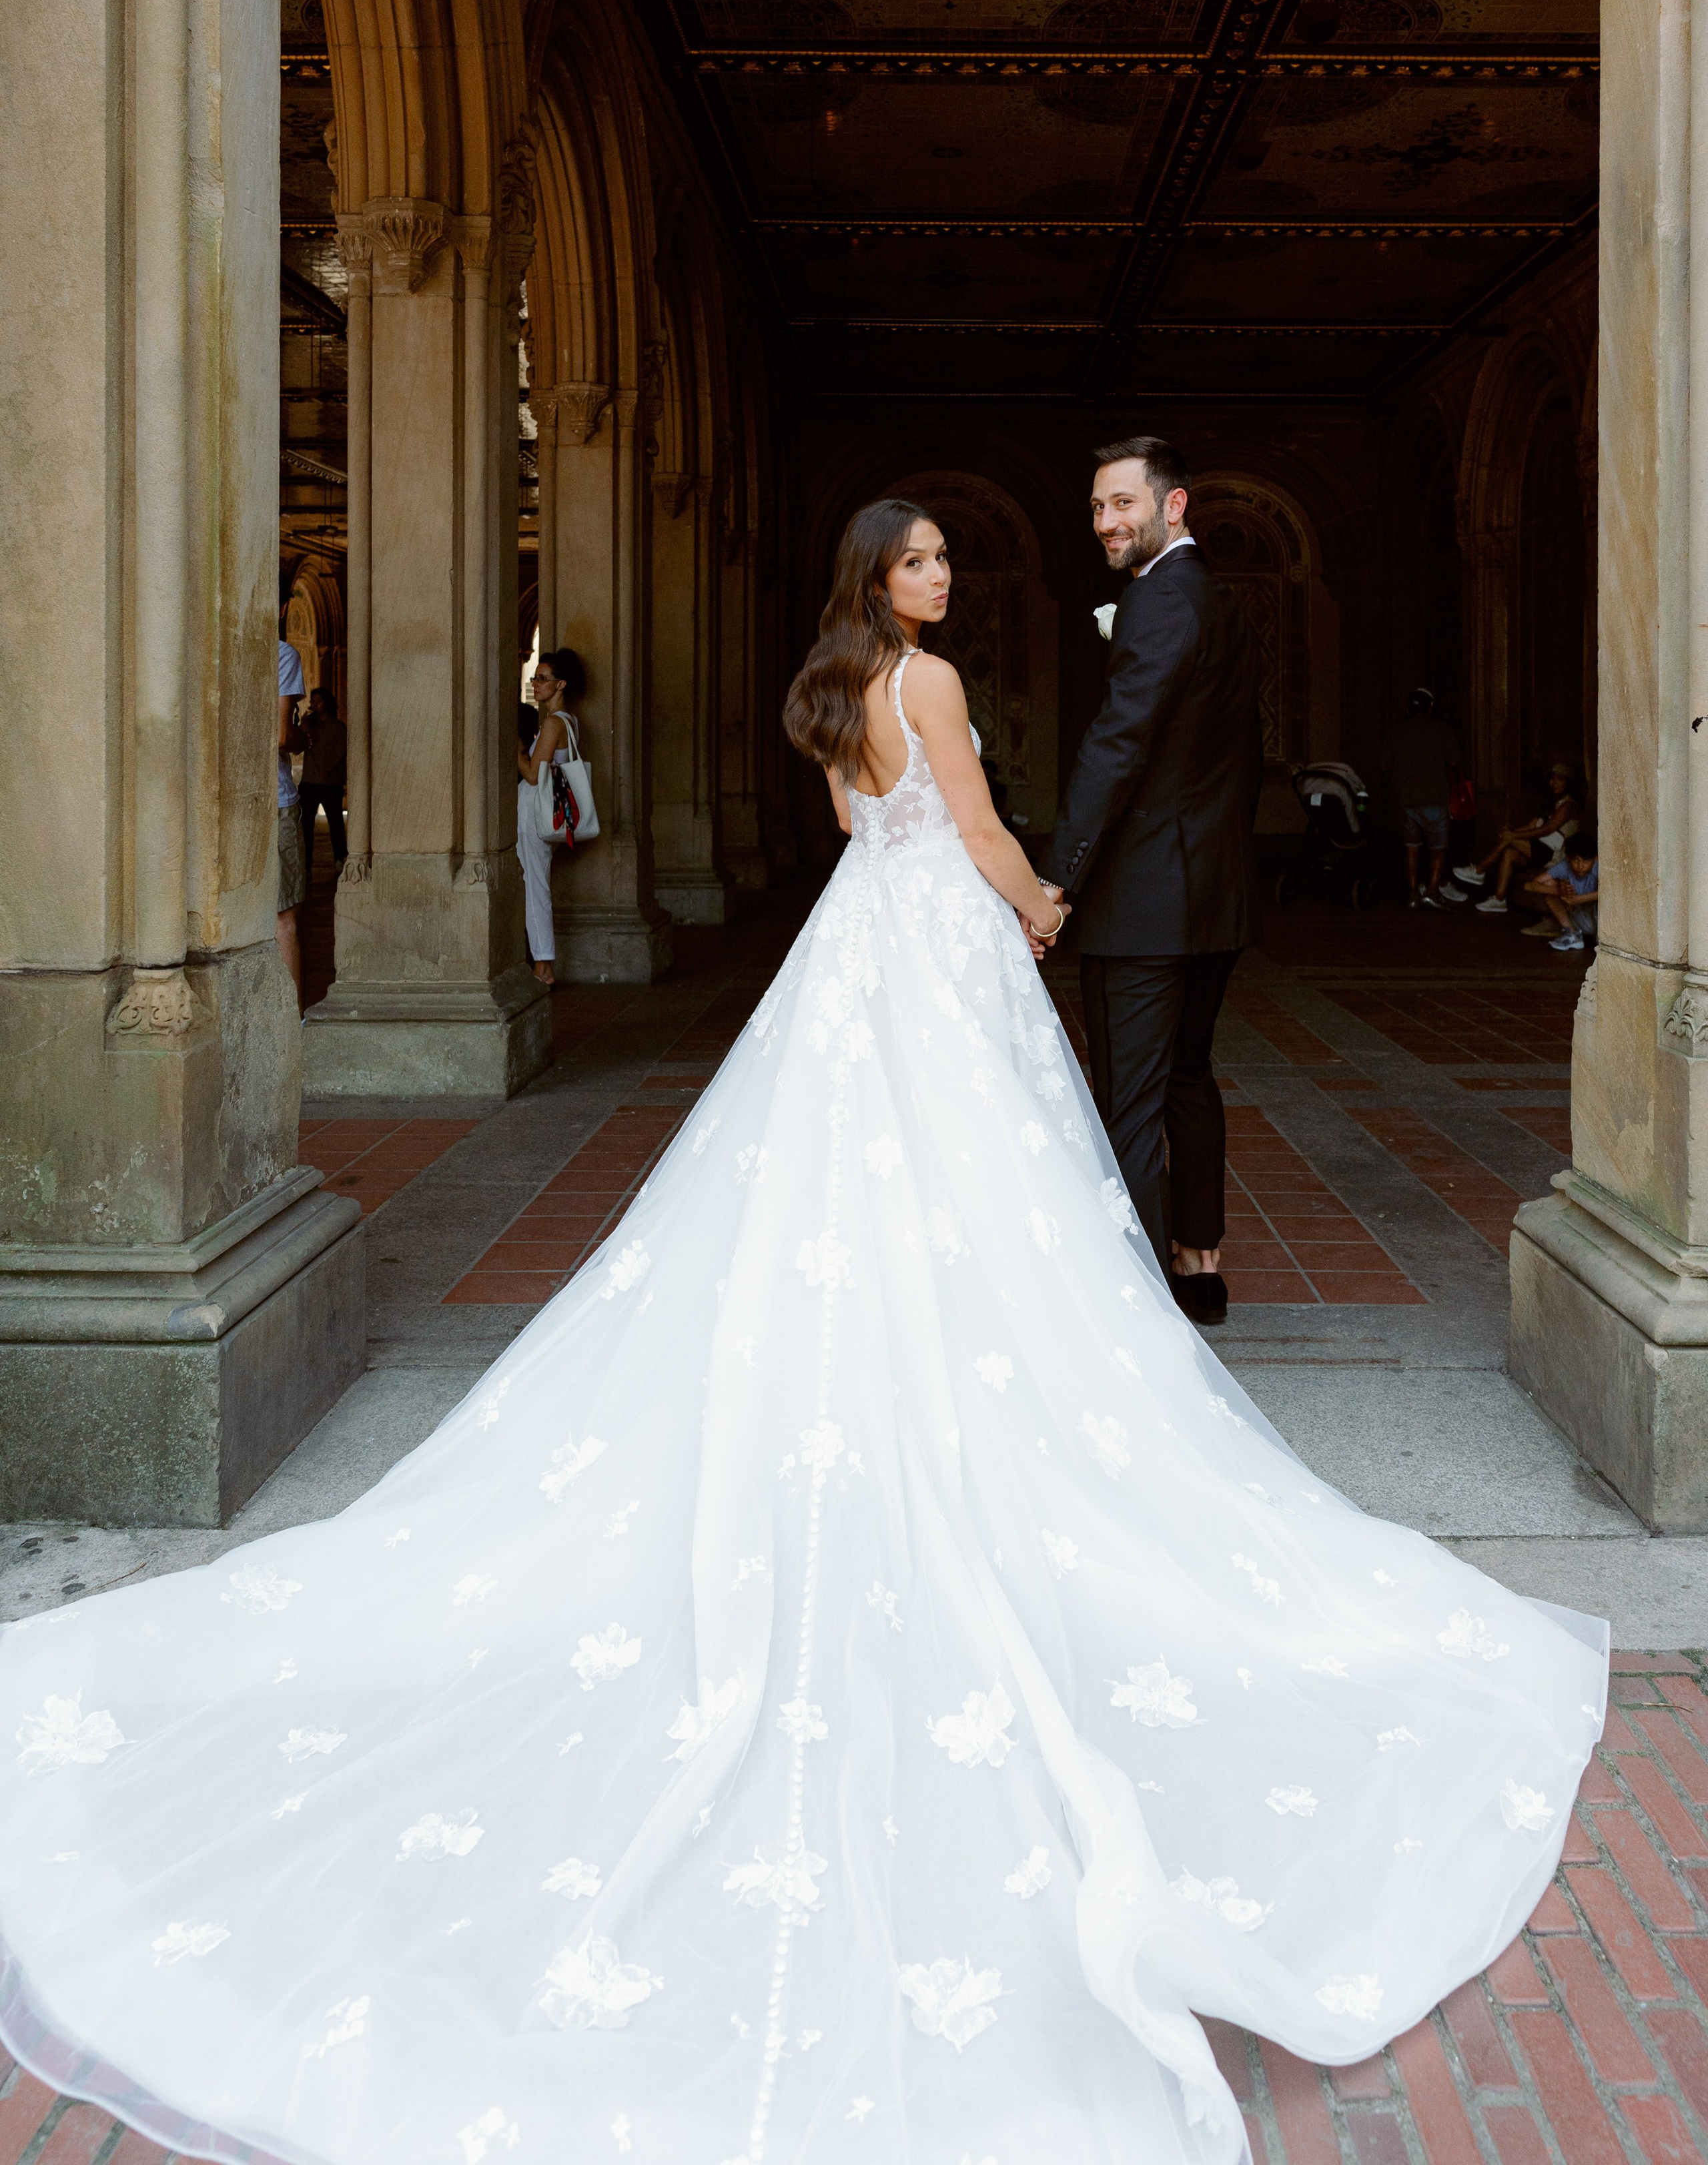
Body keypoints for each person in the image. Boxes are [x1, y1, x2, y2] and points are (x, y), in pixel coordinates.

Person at [0, 498, 1607, 2165]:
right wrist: (1040, 910)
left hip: (856, 962)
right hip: (940, 958)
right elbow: (973, 830)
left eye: (938, 562)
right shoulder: (923, 678)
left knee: (836, 1200)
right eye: (919, 559)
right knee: (984, 1207)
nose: (941, 576)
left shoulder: (830, 683)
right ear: (879, 579)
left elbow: (856, 833)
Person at [1039, 437, 1264, 1329]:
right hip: (1212, 894)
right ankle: (1198, 1262)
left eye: (1123, 504)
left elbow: (1118, 745)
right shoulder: (1220, 602)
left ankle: (1134, 1301)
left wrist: (1059, 876)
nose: (1106, 522)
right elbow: (1237, 758)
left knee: (1130, 1101)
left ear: (1174, 507)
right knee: (1189, 1077)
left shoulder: (1159, 600)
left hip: (1144, 903)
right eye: (1097, 507)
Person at [515, 647, 586, 985]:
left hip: (536, 811)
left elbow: (532, 775)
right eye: (535, 677)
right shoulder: (569, 722)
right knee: (535, 883)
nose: (536, 684)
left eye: (543, 679)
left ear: (561, 685)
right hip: (549, 812)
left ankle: (543, 966)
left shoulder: (554, 724)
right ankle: (539, 960)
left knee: (535, 886)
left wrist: (515, 750)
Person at [1440, 762, 1581, 912]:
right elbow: (1531, 825)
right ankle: (1499, 900)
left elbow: (1548, 829)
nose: (1555, 783)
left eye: (1560, 779)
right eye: (1552, 779)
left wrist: (1513, 836)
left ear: (1568, 783)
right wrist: (1509, 833)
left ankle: (1479, 871)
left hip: (1555, 854)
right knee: (1509, 854)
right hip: (1541, 850)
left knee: (1510, 840)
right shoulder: (1550, 805)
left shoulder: (1568, 806)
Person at [1376, 687, 1460, 911]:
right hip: (1434, 798)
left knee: (1411, 848)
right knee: (1438, 848)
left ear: (1408, 708)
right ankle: (1432, 892)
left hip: (1406, 800)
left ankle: (1413, 893)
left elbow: (1384, 764)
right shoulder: (1442, 730)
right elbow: (1454, 761)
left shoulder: (1396, 731)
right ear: (1430, 708)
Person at [275, 630, 306, 1004]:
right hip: (276, 798)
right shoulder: (282, 654)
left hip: (225, 797)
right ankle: (290, 1021)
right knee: (284, 918)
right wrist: (303, 739)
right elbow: (282, 736)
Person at [296, 687, 348, 885]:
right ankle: (306, 866)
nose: (315, 705)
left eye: (319, 701)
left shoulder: (338, 727)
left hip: (330, 783)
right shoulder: (310, 725)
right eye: (313, 701)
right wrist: (303, 727)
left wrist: (328, 769)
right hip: (309, 783)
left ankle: (340, 860)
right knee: (305, 826)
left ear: (327, 702)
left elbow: (341, 752)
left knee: (335, 824)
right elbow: (299, 746)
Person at [1520, 829, 1599, 951]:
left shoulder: (1598, 867)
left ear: (1596, 858)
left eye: (1586, 861)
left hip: (1599, 920)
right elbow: (1529, 886)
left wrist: (1578, 899)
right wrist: (1559, 890)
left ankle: (1601, 938)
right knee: (1548, 884)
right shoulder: (1565, 866)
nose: (1580, 866)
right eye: (1576, 860)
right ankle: (1572, 935)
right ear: (1568, 858)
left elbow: (1611, 893)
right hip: (1579, 919)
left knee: (1606, 898)